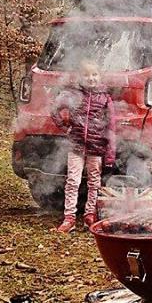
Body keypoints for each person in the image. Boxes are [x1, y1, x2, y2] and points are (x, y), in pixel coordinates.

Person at [51, 58, 118, 234]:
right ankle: (69, 218)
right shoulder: (72, 94)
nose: (91, 78)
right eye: (86, 75)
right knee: (73, 180)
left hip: (96, 146)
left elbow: (111, 127)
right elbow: (55, 108)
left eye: (94, 74)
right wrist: (64, 126)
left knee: (94, 182)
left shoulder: (105, 98)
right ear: (80, 77)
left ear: (100, 76)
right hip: (76, 144)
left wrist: (110, 154)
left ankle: (90, 214)